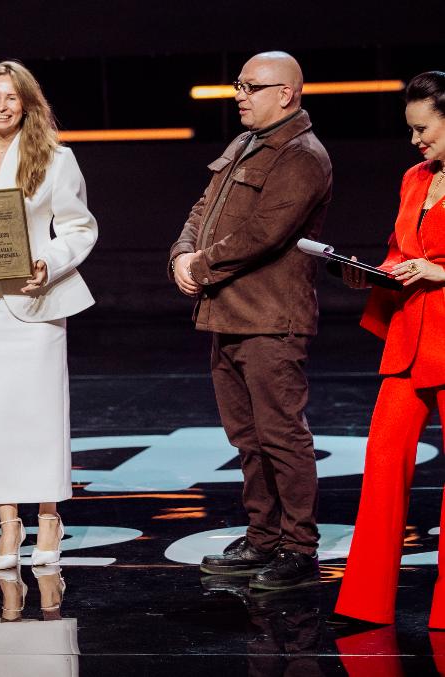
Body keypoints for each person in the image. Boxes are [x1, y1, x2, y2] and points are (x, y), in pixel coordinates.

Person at [168, 51, 333, 589]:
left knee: (281, 436)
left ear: (285, 93)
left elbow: (265, 233)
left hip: (270, 320)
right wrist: (181, 254)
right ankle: (263, 537)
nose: (239, 95)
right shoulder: (244, 144)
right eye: (238, 85)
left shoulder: (302, 155)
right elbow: (202, 209)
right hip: (229, 316)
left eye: (250, 86)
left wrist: (201, 266)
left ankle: (298, 548)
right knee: (247, 438)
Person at [0, 61, 98, 570]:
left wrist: (47, 263)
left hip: (36, 302)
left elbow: (78, 228)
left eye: (11, 97)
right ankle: (9, 523)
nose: (1, 106)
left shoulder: (56, 159)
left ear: (27, 104)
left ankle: (49, 517)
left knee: (42, 415)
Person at [333, 71, 445, 628]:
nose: (414, 140)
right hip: (409, 339)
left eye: (423, 129)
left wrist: (441, 271)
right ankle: (365, 603)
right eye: (411, 129)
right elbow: (401, 250)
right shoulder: (414, 178)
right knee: (381, 466)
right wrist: (375, 273)